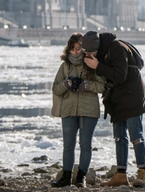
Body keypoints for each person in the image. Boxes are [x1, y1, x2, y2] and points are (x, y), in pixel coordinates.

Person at [82, 30, 145, 188]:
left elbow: (120, 75)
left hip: (132, 97)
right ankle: (121, 174)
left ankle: (142, 172)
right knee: (119, 137)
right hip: (117, 100)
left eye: (91, 53)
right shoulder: (102, 53)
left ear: (97, 48)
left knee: (136, 135)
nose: (89, 56)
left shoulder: (117, 48)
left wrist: (98, 66)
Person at [50, 33, 106, 188]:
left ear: (84, 49)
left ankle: (81, 177)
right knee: (68, 145)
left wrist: (86, 85)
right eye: (72, 49)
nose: (75, 52)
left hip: (89, 110)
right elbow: (55, 88)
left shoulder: (92, 64)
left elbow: (102, 86)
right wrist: (66, 84)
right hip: (68, 110)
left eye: (78, 48)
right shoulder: (65, 66)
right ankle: (66, 177)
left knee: (85, 145)